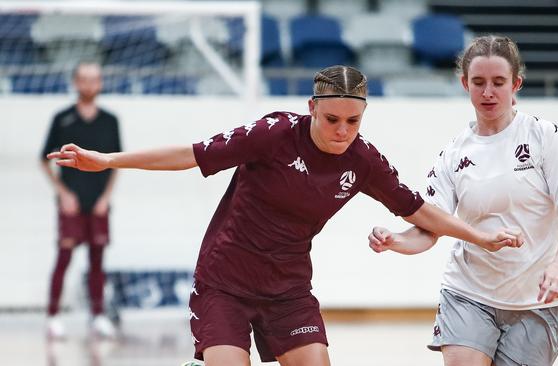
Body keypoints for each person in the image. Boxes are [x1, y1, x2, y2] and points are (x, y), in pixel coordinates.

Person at [47, 65, 522, 366]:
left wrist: (478, 237)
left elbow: (419, 210)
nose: (342, 131)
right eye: (332, 119)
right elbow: (191, 155)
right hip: (225, 281)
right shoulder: (274, 133)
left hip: (288, 289)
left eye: (353, 122)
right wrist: (109, 159)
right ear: (312, 108)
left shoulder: (364, 161)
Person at [368, 36, 558, 366]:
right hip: (468, 292)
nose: (488, 92)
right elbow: (430, 228)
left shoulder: (544, 136)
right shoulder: (453, 154)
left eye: (498, 82)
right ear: (464, 84)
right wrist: (395, 240)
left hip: (539, 301)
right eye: (478, 82)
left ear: (516, 84)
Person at [41, 62, 122, 339]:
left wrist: (106, 198)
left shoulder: (110, 121)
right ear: (76, 82)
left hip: (98, 203)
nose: (89, 84)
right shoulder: (62, 118)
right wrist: (63, 193)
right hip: (71, 204)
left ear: (100, 83)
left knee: (97, 260)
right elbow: (44, 160)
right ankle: (52, 317)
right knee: (64, 257)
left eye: (94, 79)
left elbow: (116, 162)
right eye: (84, 79)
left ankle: (97, 316)